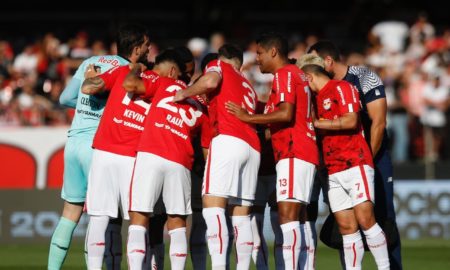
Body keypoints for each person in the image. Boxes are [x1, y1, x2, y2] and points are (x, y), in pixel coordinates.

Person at [48, 23, 149, 270]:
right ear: (136, 49)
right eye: (146, 46)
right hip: (98, 146)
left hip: (73, 142)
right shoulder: (128, 71)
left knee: (69, 214)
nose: (149, 51)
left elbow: (64, 98)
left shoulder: (90, 61)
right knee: (100, 216)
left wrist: (86, 107)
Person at [80, 49, 182, 270]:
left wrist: (126, 70)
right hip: (133, 157)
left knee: (98, 218)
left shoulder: (124, 70)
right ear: (173, 71)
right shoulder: (167, 86)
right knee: (139, 221)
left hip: (104, 151)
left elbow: (88, 87)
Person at [225, 32, 318, 270]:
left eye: (259, 53)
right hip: (299, 150)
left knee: (287, 216)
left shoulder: (285, 74)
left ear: (273, 52)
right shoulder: (298, 74)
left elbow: (286, 113)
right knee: (296, 215)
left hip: (294, 150)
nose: (257, 59)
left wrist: (249, 117)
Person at [308, 40, 402, 269]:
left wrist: (364, 159)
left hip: (370, 155)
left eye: (314, 61)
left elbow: (379, 123)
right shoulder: (318, 89)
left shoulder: (363, 77)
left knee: (383, 218)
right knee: (345, 224)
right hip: (337, 162)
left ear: (328, 61)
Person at [173, 44, 260, 270]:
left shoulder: (219, 65)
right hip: (252, 147)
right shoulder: (248, 85)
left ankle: (219, 266)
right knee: (241, 216)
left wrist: (182, 93)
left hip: (228, 139)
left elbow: (210, 81)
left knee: (212, 208)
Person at [121, 60, 211, 270]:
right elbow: (206, 150)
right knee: (177, 223)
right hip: (180, 160)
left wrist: (136, 68)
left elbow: (131, 85)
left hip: (151, 152)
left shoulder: (167, 83)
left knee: (139, 217)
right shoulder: (205, 110)